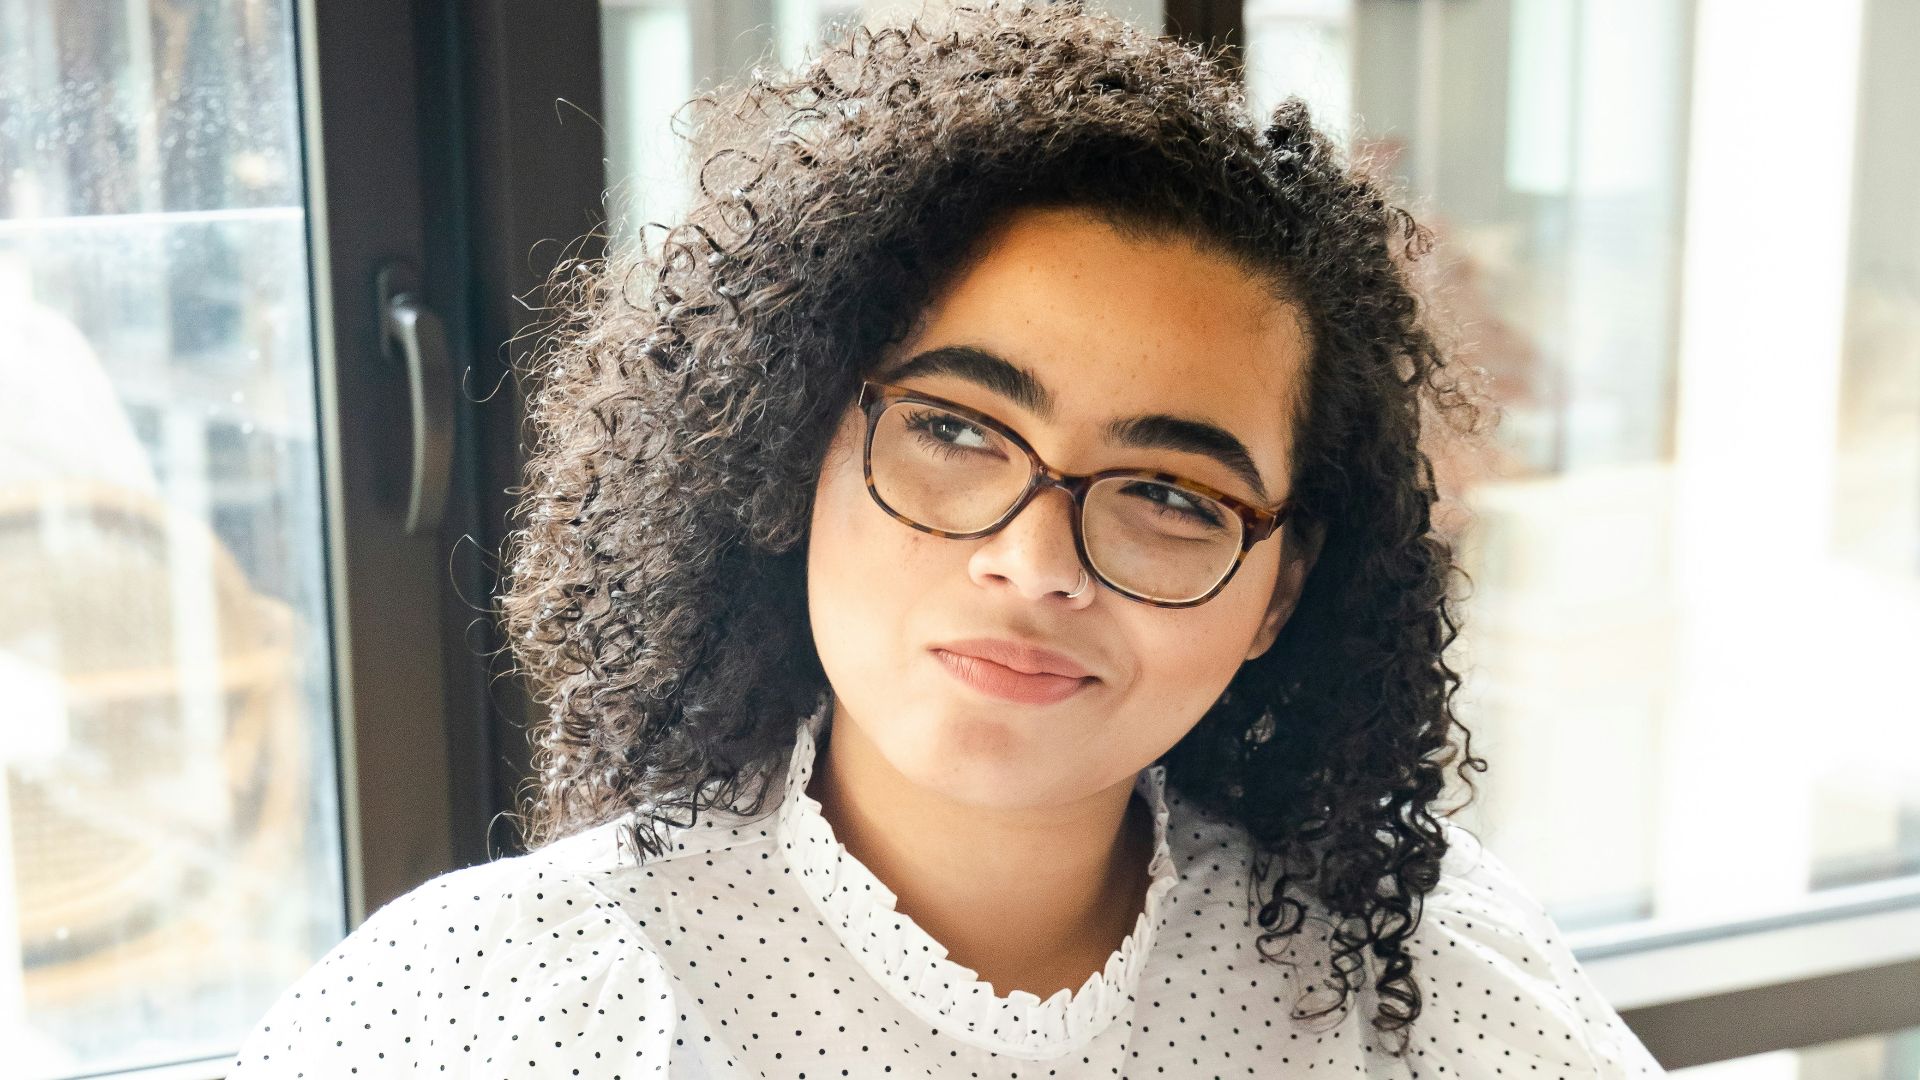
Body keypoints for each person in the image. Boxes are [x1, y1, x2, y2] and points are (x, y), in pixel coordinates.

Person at [231, 2, 1666, 1075]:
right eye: (960, 431)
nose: (1033, 563)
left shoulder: (1418, 977)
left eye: (1171, 495)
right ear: (792, 445)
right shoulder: (486, 1008)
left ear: (1281, 590)